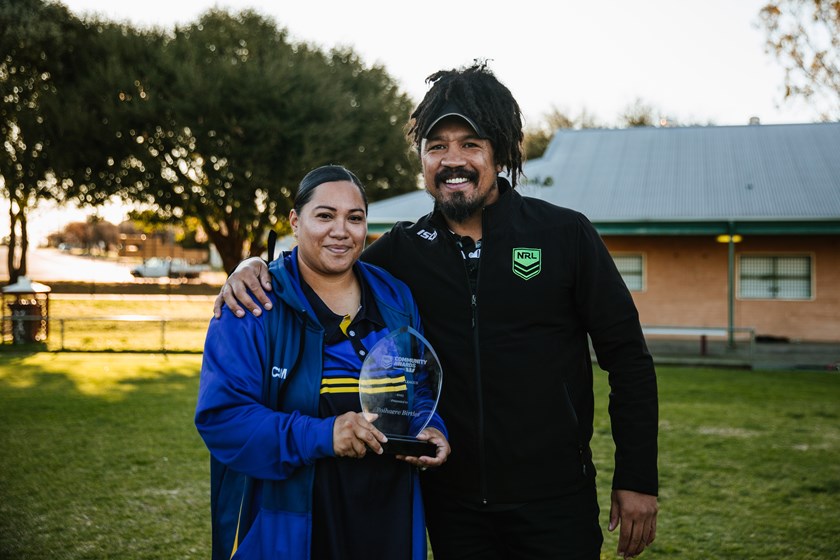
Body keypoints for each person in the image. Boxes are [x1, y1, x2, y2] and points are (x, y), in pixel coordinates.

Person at [215, 62, 658, 559]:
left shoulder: (564, 235)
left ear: (500, 152)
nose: (453, 160)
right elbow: (322, 260)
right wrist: (253, 266)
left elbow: (628, 359)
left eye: (470, 144)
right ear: (422, 159)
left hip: (555, 501)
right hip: (451, 504)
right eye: (437, 146)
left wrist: (637, 477)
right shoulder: (401, 252)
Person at [195, 165, 450, 560]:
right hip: (293, 521)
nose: (341, 231)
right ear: (295, 222)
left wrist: (429, 427)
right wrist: (324, 435)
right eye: (325, 215)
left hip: (389, 518)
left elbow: (418, 385)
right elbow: (223, 419)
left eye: (355, 218)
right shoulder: (252, 303)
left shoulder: (396, 296)